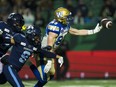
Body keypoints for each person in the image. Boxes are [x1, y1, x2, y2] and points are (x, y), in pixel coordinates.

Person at [32, 7, 103, 87]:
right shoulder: (54, 27)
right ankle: (30, 65)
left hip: (50, 52)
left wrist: (93, 31)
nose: (68, 18)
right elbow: (49, 45)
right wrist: (49, 60)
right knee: (43, 78)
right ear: (60, 17)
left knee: (51, 74)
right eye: (66, 17)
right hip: (44, 52)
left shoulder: (64, 25)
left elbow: (76, 31)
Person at [0, 12, 25, 84]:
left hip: (1, 55)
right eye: (19, 23)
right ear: (14, 21)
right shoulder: (2, 25)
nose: (20, 26)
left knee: (2, 80)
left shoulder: (19, 34)